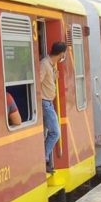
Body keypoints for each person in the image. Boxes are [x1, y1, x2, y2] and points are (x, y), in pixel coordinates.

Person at [40, 41, 67, 173]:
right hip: (45, 103)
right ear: (61, 53)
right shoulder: (45, 65)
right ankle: (43, 158)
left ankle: (43, 159)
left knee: (46, 133)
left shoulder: (51, 64)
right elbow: (38, 82)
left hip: (48, 102)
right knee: (55, 132)